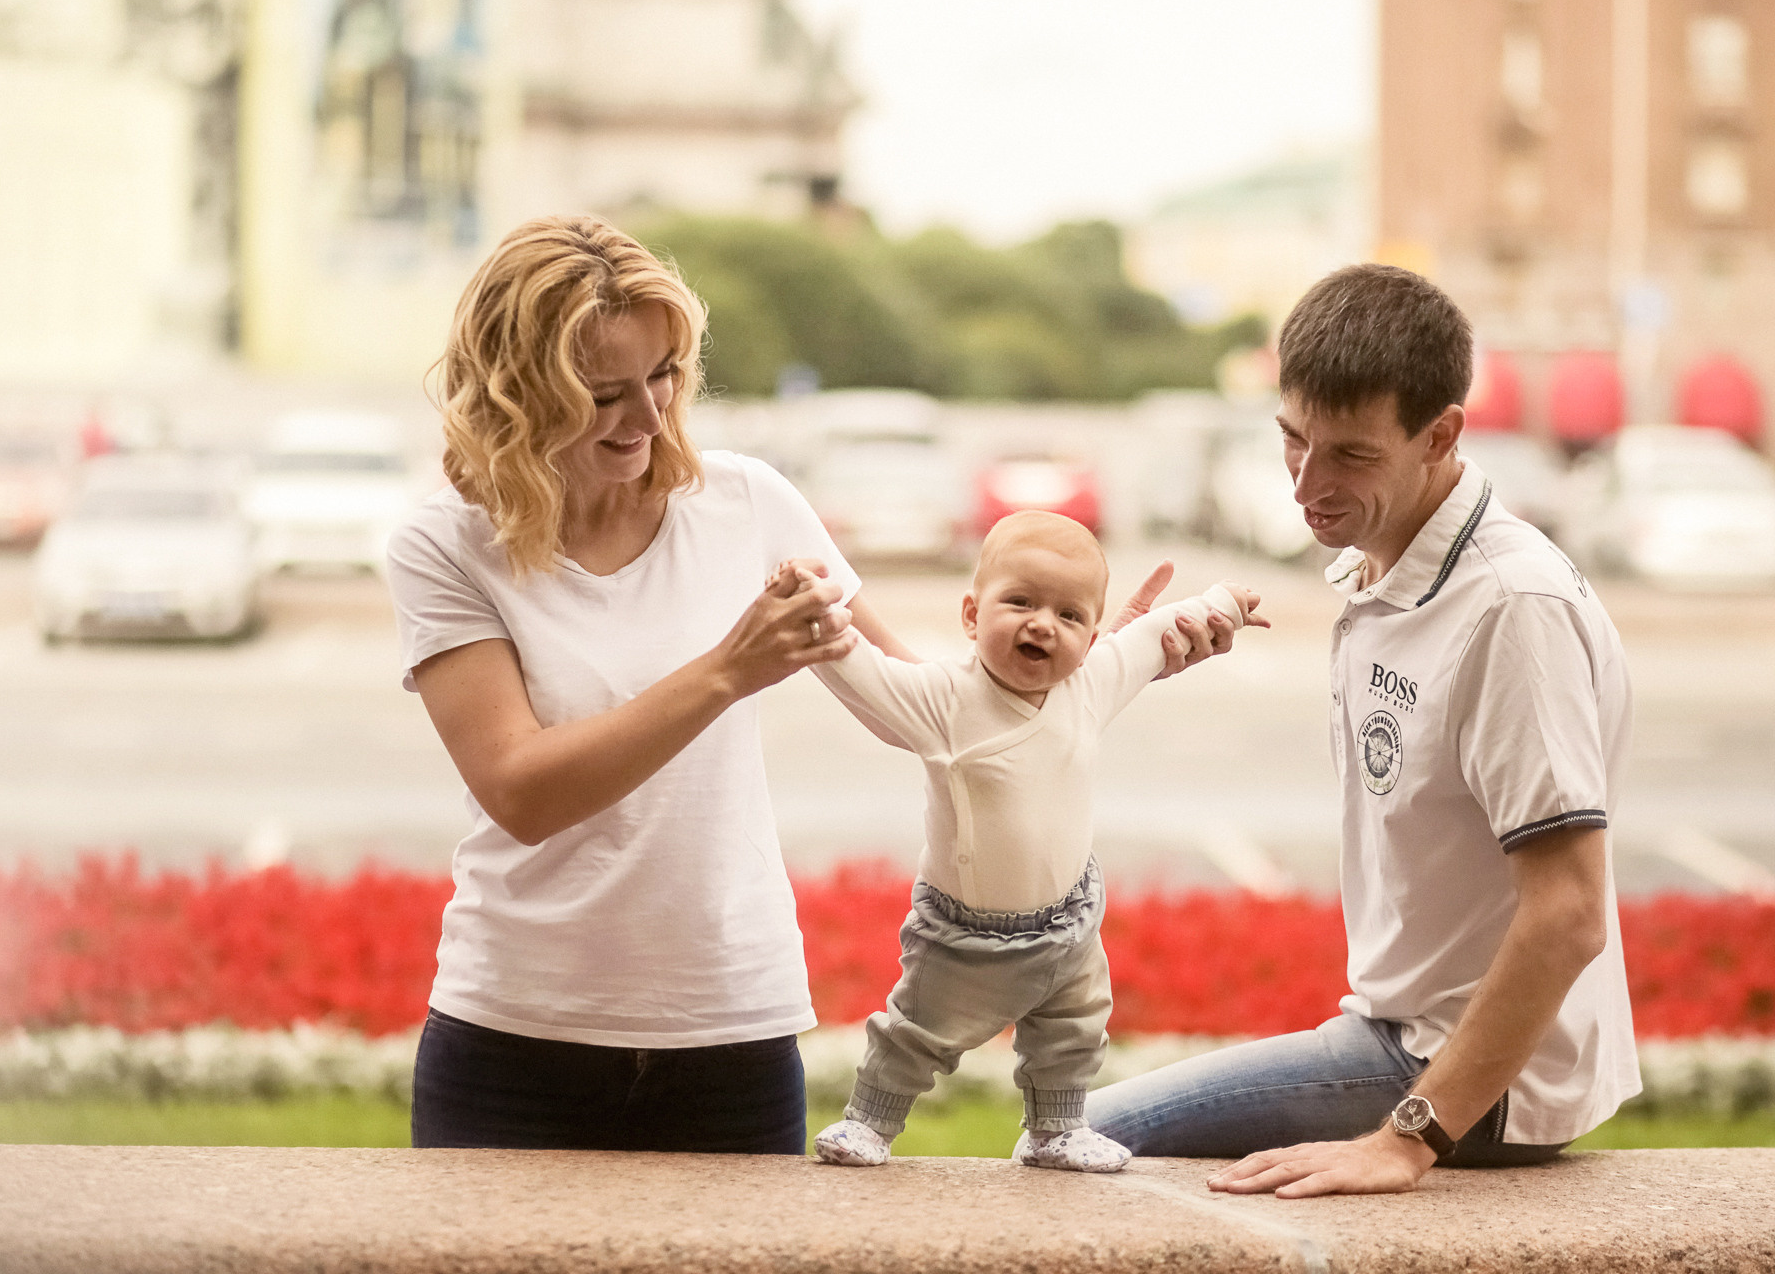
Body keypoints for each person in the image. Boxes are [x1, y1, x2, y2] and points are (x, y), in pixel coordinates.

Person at [385, 213, 1241, 1153]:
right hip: (512, 1041)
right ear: (518, 391)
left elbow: (932, 708)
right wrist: (726, 672)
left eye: (664, 375)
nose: (649, 416)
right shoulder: (443, 544)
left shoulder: (748, 501)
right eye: (602, 394)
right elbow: (520, 789)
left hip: (731, 1034)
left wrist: (1085, 662)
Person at [1085, 263, 1640, 1196]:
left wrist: (1405, 1139)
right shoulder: (1393, 566)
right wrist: (1117, 660)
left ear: (1442, 436)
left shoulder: (1509, 608)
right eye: (1293, 441)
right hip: (1399, 1035)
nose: (1307, 484)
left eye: (1351, 455)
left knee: (1083, 1138)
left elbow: (1570, 912)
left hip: (1464, 1078)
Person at [796, 512, 1263, 1171]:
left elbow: (1156, 639)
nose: (1043, 624)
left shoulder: (1089, 684)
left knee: (1072, 1029)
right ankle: (870, 1122)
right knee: (916, 1031)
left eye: (1069, 616)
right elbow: (864, 674)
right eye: (1019, 602)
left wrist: (1222, 606)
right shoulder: (945, 699)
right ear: (971, 613)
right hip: (966, 932)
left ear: (1092, 635)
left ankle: (1056, 1128)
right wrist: (817, 620)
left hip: (1068, 921)